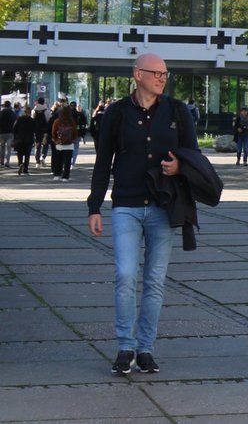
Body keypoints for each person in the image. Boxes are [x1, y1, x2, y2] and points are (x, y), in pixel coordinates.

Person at [87, 53, 200, 375]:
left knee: (154, 280)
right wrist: (94, 206)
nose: (162, 78)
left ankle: (146, 349)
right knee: (125, 274)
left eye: (165, 73)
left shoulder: (177, 111)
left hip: (163, 207)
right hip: (127, 205)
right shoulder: (116, 113)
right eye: (156, 73)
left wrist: (180, 165)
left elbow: (194, 155)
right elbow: (103, 162)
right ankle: (126, 347)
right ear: (138, 74)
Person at [50, 105, 79, 181]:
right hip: (69, 143)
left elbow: (53, 132)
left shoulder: (57, 121)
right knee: (67, 161)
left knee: (58, 159)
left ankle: (57, 174)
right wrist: (73, 139)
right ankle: (65, 176)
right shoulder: (71, 121)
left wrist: (55, 139)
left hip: (59, 143)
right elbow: (75, 131)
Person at [13, 106, 35, 175]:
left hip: (20, 138)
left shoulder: (19, 119)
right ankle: (25, 169)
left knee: (20, 153)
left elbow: (14, 128)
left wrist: (16, 136)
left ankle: (20, 163)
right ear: (30, 113)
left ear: (24, 112)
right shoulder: (32, 121)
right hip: (29, 139)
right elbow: (35, 129)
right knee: (27, 154)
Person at [33, 97, 52, 167]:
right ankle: (42, 157)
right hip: (45, 131)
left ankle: (37, 162)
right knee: (45, 145)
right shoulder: (46, 111)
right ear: (44, 102)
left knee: (37, 146)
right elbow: (49, 120)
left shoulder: (34, 110)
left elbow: (32, 120)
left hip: (37, 131)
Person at [0, 100, 15, 168]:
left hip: (1, 133)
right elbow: (15, 121)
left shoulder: (1, 113)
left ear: (4, 105)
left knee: (2, 147)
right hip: (10, 133)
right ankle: (7, 162)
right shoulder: (12, 113)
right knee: (8, 148)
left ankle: (1, 162)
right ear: (9, 106)